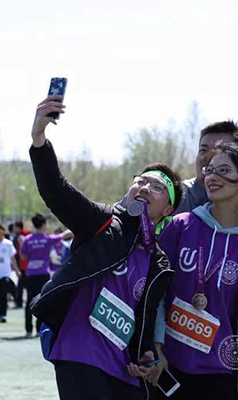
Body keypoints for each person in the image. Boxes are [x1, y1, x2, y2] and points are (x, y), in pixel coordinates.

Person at [29, 95, 182, 400]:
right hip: (79, 354)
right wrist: (38, 140)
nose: (145, 187)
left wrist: (144, 354)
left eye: (157, 187)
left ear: (168, 210)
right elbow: (57, 191)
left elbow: (143, 317)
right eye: (141, 181)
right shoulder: (104, 221)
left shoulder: (159, 263)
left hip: (123, 370)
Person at [152, 143, 238, 400]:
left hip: (218, 369)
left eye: (224, 170)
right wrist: (156, 344)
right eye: (210, 170)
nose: (212, 177)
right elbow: (156, 290)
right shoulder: (181, 225)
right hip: (168, 363)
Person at [20, 213, 71, 337]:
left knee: (28, 301)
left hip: (30, 274)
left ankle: (28, 330)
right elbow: (65, 235)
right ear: (43, 225)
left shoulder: (27, 239)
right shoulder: (47, 239)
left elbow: (23, 256)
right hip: (43, 274)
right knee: (41, 301)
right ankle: (39, 329)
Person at [13, 221, 30, 308]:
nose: (13, 229)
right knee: (24, 285)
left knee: (21, 285)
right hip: (26, 265)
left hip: (23, 265)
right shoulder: (28, 235)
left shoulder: (21, 237)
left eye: (15, 227)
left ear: (18, 227)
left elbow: (19, 253)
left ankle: (19, 302)